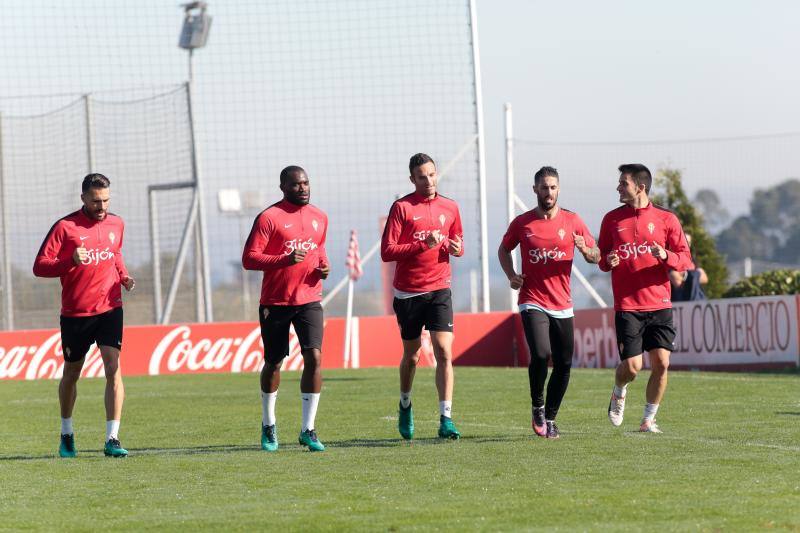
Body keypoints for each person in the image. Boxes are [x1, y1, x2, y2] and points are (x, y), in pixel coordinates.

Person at [33, 173, 135, 458]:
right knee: (72, 373)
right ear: (83, 199)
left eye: (105, 200)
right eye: (95, 201)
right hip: (76, 313)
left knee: (113, 367)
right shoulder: (65, 227)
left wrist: (123, 276)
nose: (101, 206)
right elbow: (40, 266)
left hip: (110, 308)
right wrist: (69, 262)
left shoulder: (117, 223)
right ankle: (67, 433)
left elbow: (115, 254)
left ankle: (112, 438)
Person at [498, 166, 600, 439]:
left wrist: (585, 249)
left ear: (558, 189)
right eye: (544, 187)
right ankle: (537, 406)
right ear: (535, 190)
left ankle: (551, 417)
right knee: (542, 354)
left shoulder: (573, 220)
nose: (549, 192)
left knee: (565, 363)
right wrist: (511, 275)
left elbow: (596, 256)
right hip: (532, 300)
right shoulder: (522, 223)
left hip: (563, 303)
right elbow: (504, 249)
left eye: (553, 187)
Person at [598, 164, 693, 433]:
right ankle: (619, 390)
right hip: (628, 305)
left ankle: (648, 419)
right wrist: (608, 260)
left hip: (660, 304)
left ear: (640, 187)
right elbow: (603, 258)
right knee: (632, 366)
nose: (618, 187)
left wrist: (666, 256)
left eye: (623, 183)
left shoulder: (667, 219)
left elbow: (685, 259)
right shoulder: (611, 220)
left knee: (662, 363)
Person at [242, 165, 330, 452]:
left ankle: (309, 429)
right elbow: (250, 259)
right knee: (274, 362)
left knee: (314, 357)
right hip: (276, 302)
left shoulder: (319, 217)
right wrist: (284, 259)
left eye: (306, 183)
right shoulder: (269, 217)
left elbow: (319, 252)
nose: (303, 188)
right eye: (296, 184)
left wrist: (323, 268)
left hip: (310, 299)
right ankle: (268, 423)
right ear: (283, 187)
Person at [380, 153, 464, 440]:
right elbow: (387, 251)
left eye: (431, 175)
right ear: (412, 179)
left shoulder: (450, 207)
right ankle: (405, 403)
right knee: (412, 356)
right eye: (421, 177)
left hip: (440, 288)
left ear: (436, 174)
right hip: (409, 294)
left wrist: (456, 248)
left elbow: (459, 242)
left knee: (444, 351)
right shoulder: (402, 208)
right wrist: (420, 245)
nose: (428, 181)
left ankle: (446, 418)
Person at [670, 233, 708, 301]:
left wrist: (685, 275)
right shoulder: (671, 260)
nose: (686, 245)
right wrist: (695, 275)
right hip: (679, 304)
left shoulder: (692, 260)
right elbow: (677, 282)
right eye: (684, 241)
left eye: (689, 242)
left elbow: (705, 278)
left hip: (696, 302)